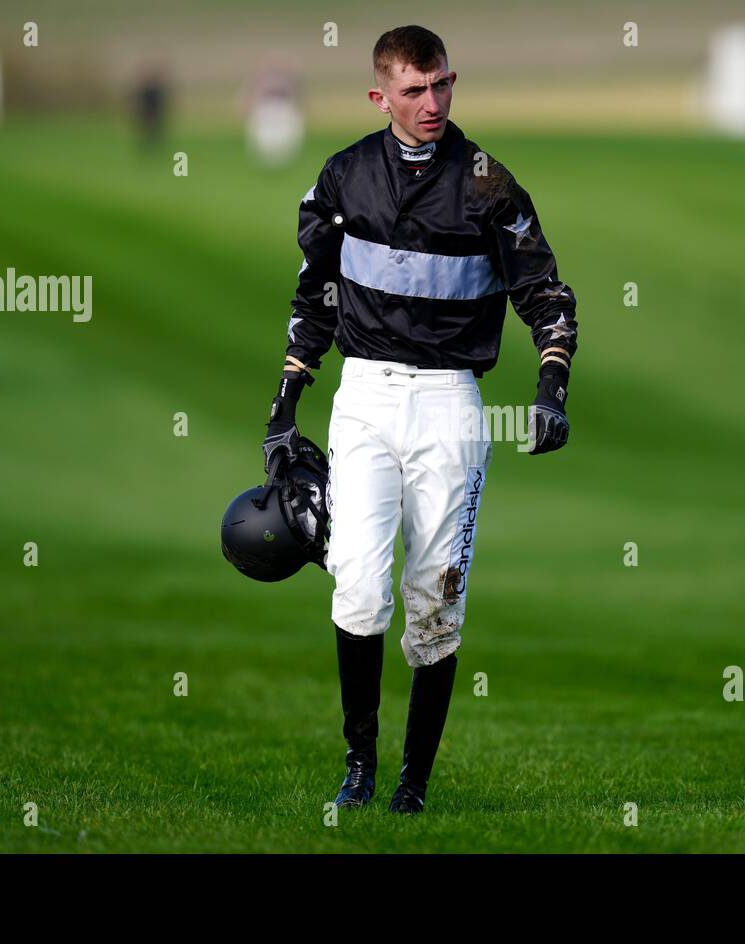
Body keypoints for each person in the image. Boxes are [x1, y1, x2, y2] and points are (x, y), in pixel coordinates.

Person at [262, 24, 579, 814]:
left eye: (442, 86)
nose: (432, 103)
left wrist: (551, 387)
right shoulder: (341, 180)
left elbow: (545, 294)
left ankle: (414, 786)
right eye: (414, 90)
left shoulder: (488, 185)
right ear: (380, 96)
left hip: (450, 406)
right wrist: (286, 403)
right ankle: (360, 768)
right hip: (364, 399)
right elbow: (314, 301)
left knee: (435, 603)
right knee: (360, 590)